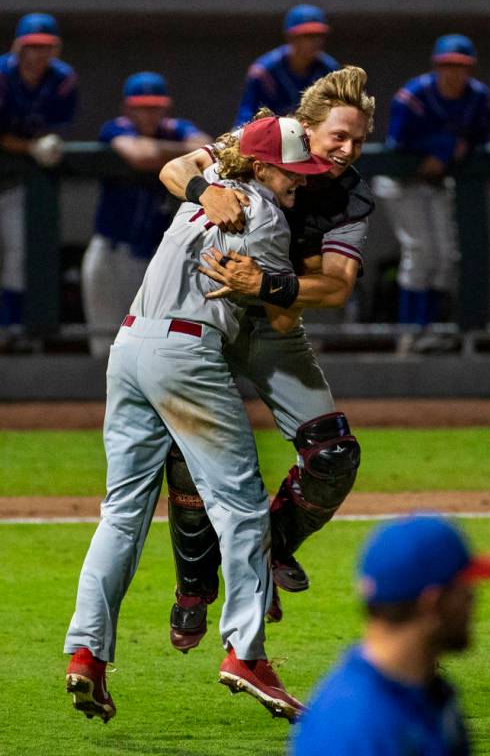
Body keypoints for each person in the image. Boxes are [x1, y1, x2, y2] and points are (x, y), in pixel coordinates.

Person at [64, 115, 332, 724]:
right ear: (262, 167)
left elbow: (180, 170)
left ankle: (86, 651)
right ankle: (246, 653)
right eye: (293, 170)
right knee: (240, 506)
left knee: (122, 510)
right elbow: (280, 314)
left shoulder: (209, 183)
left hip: (129, 349)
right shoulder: (264, 217)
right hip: (184, 353)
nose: (302, 180)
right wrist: (295, 282)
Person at [158, 65, 375, 648]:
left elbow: (336, 286)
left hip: (273, 323)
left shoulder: (350, 193)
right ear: (305, 127)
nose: (347, 149)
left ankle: (267, 553)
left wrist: (269, 284)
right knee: (187, 455)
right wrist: (209, 189)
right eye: (337, 136)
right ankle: (193, 587)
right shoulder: (251, 144)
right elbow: (174, 169)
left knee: (333, 455)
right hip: (205, 314)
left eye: (358, 140)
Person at [290, 513, 490, 755]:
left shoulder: (429, 693)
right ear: (432, 603)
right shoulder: (356, 728)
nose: (473, 600)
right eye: (465, 590)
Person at [374, 34, 490, 354]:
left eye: (461, 66)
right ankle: (410, 331)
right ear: (436, 66)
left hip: (438, 183)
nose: (453, 73)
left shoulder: (479, 97)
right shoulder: (412, 96)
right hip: (402, 182)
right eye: (447, 66)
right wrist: (439, 148)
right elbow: (397, 147)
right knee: (420, 251)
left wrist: (455, 151)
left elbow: (479, 141)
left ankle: (433, 328)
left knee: (446, 255)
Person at [81, 71, 208, 357]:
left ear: (165, 107)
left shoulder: (177, 128)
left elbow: (205, 148)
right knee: (105, 347)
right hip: (109, 255)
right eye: (142, 106)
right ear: (128, 108)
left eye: (155, 106)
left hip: (151, 256)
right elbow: (140, 156)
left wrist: (161, 151)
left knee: (149, 343)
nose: (149, 113)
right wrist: (178, 156)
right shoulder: (115, 128)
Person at [0, 12, 77, 340]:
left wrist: (42, 145)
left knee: (19, 256)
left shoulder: (63, 79)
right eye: (32, 46)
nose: (39, 54)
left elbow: (56, 126)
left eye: (46, 46)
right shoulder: (2, 74)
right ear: (19, 47)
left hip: (18, 180)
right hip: (14, 162)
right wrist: (30, 147)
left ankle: (11, 332)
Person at [234, 4, 339, 126]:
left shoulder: (329, 71)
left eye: (318, 35)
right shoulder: (265, 72)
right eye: (307, 36)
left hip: (313, 137)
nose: (315, 42)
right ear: (290, 37)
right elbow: (246, 117)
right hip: (270, 136)